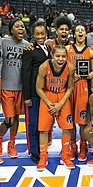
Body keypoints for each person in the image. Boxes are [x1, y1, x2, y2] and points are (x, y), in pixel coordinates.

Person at [36, 45, 75, 171]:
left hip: (63, 97)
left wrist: (60, 104)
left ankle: (65, 155)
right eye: (58, 56)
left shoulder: (70, 67)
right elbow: (38, 88)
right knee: (43, 129)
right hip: (47, 96)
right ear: (52, 55)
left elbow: (70, 88)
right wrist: (49, 103)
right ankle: (43, 156)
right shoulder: (44, 66)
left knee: (67, 128)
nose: (60, 59)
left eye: (63, 56)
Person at [66, 25, 93, 162]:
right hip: (70, 87)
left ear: (86, 34)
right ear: (74, 34)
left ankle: (83, 145)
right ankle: (73, 146)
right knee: (70, 121)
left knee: (83, 121)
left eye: (82, 30)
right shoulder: (67, 49)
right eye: (77, 30)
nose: (80, 32)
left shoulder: (91, 51)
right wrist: (71, 74)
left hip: (84, 86)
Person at [21, 21, 51, 163]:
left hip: (46, 92)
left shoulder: (49, 49)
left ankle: (42, 147)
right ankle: (34, 151)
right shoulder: (29, 50)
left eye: (42, 34)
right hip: (33, 93)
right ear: (33, 35)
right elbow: (25, 73)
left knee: (43, 123)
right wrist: (27, 96)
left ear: (46, 34)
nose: (40, 36)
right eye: (37, 34)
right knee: (33, 123)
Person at [0, 18, 28, 164]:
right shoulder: (3, 43)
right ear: (11, 30)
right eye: (17, 26)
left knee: (16, 118)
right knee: (9, 120)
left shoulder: (27, 45)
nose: (20, 28)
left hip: (21, 88)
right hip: (6, 87)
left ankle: (12, 144)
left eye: (22, 26)